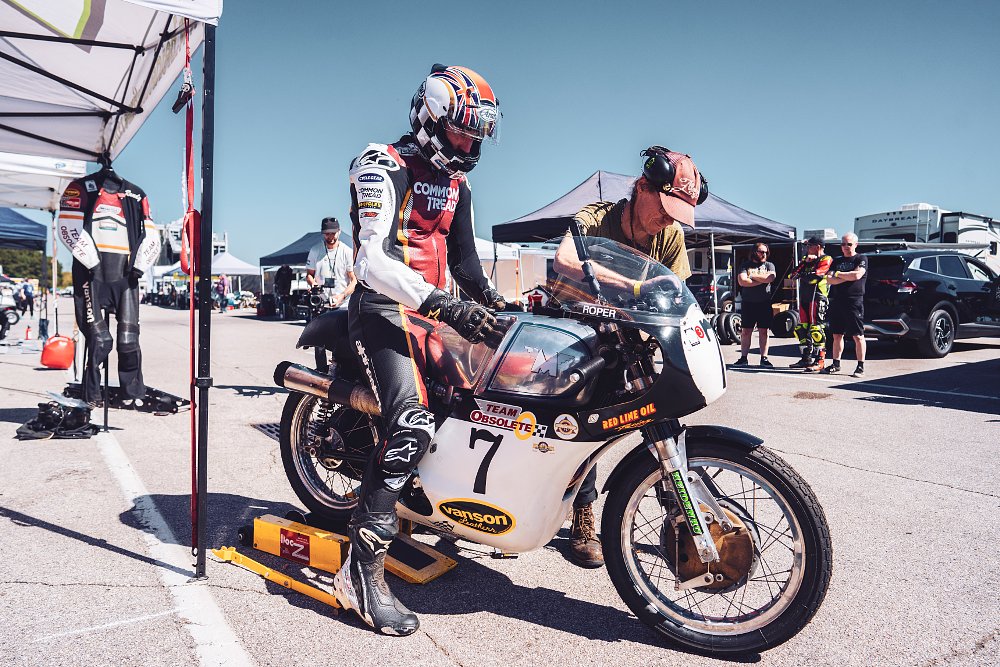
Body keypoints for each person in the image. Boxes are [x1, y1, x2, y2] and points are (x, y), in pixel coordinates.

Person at [335, 64, 505, 636]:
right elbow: (371, 261)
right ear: (430, 119)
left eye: (476, 137)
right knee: (410, 423)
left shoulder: (459, 184)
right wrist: (446, 305)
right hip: (383, 309)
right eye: (461, 132)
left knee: (501, 392)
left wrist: (497, 307)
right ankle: (360, 574)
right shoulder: (381, 164)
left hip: (436, 313)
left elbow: (466, 264)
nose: (469, 146)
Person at [552, 146, 708, 569]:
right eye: (666, 209)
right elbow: (565, 260)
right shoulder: (595, 218)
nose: (669, 220)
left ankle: (679, 516)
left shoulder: (670, 236)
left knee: (661, 421)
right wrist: (635, 287)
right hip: (577, 336)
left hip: (631, 340)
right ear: (642, 187)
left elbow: (676, 292)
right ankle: (583, 516)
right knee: (580, 429)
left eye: (678, 214)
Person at [822, 232, 868, 377]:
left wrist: (838, 274)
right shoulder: (837, 260)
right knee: (837, 334)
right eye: (843, 244)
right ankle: (836, 364)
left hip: (854, 301)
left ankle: (860, 366)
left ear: (856, 245)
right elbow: (829, 279)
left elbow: (857, 275)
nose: (846, 247)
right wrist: (846, 276)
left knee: (857, 336)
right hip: (837, 300)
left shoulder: (861, 258)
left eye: (849, 244)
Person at [788, 236, 833, 372]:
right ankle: (805, 359)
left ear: (817, 247)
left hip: (818, 298)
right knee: (801, 329)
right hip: (805, 298)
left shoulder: (826, 259)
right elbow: (792, 276)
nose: (806, 248)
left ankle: (820, 361)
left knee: (816, 330)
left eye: (809, 246)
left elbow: (814, 278)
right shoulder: (806, 260)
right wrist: (805, 264)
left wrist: (803, 275)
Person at [733, 243, 777, 367]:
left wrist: (752, 276)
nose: (764, 254)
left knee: (764, 331)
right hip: (748, 303)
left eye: (766, 252)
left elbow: (770, 278)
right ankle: (743, 358)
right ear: (754, 252)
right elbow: (742, 281)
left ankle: (764, 358)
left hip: (764, 303)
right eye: (761, 252)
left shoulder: (769, 265)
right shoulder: (745, 265)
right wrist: (762, 280)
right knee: (746, 332)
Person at [305, 218, 356, 309]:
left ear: (339, 232)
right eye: (327, 234)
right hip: (321, 304)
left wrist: (342, 296)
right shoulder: (315, 250)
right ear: (322, 233)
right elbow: (309, 275)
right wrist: (313, 284)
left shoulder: (347, 252)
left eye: (333, 233)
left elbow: (354, 280)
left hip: (343, 305)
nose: (330, 236)